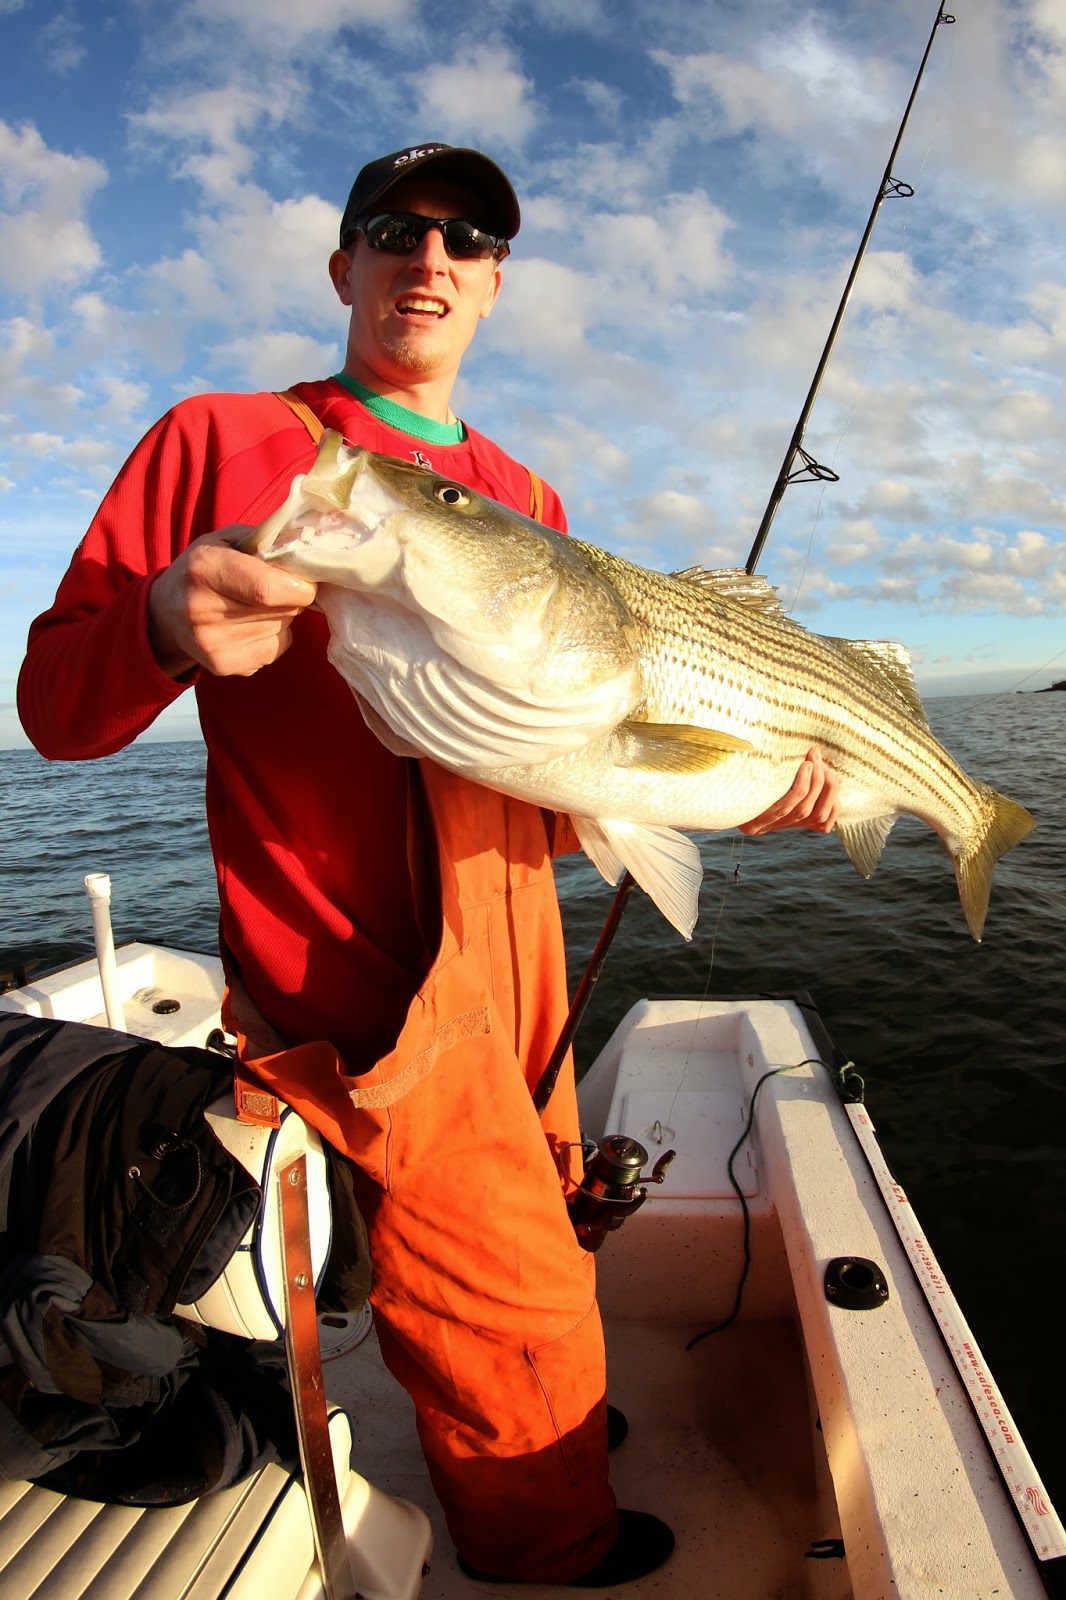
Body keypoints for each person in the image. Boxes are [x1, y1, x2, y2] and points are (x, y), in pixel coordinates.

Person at [17, 143, 839, 1586]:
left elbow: (561, 752)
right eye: (396, 229)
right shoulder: (220, 434)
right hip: (356, 968)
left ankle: (547, 1415)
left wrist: (734, 781)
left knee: (546, 1207)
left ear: (498, 283)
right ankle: (547, 1539)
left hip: (514, 939)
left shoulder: (524, 486)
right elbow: (56, 713)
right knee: (495, 1281)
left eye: (471, 237)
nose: (433, 256)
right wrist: (158, 621)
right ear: (344, 266)